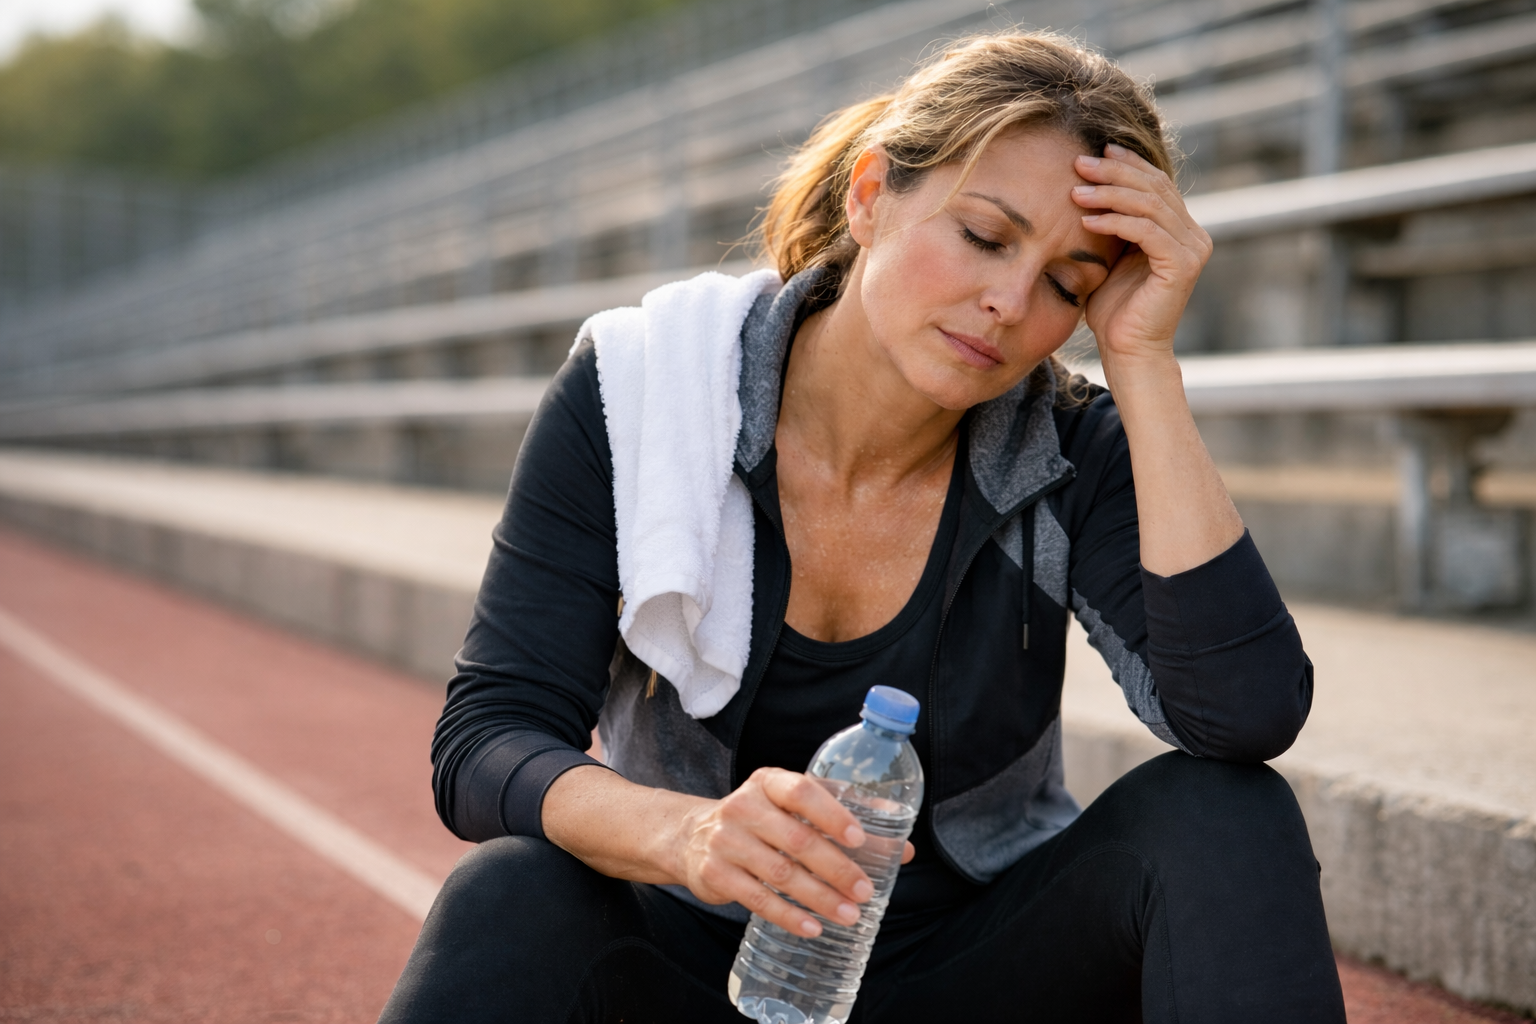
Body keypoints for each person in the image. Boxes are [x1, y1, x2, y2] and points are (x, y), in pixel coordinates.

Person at [379, 30, 1346, 1024]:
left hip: (971, 976)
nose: (1010, 301)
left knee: (1228, 814)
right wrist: (690, 836)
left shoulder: (1068, 446)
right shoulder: (641, 394)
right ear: (871, 193)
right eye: (984, 235)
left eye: (1070, 282)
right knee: (508, 891)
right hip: (693, 967)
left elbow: (1243, 712)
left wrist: (1142, 360)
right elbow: (487, 741)